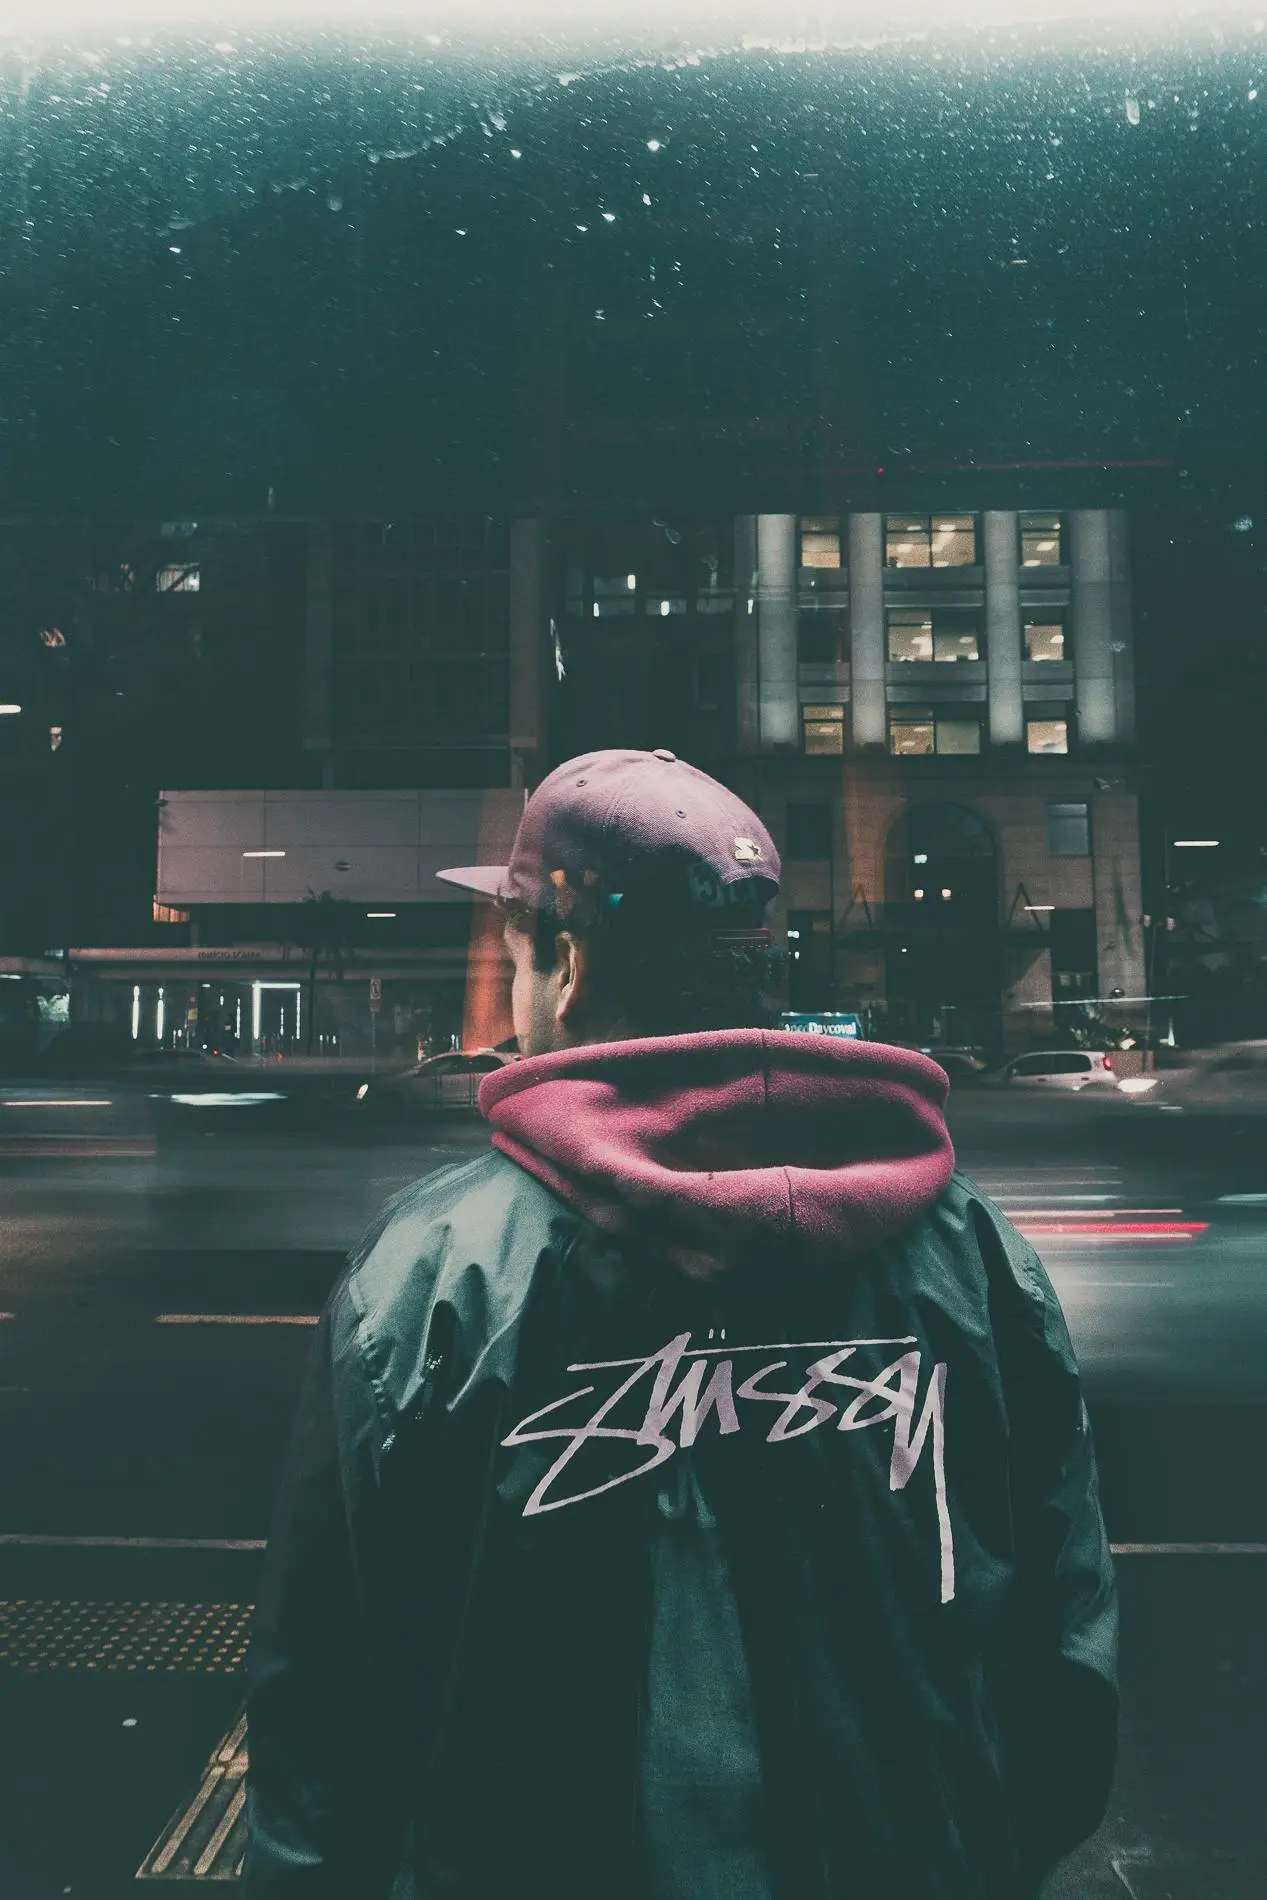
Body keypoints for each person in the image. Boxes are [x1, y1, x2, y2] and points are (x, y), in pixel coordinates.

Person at [245, 747, 1118, 1900]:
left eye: (512, 949)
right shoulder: (965, 1250)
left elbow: (330, 1707)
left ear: (560, 963)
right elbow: (1064, 1652)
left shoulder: (433, 1277)